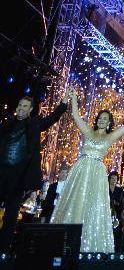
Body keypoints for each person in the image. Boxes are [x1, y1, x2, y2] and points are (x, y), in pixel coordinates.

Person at [51, 93, 124, 252]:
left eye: (105, 118)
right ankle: (65, 243)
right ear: (97, 120)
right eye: (100, 117)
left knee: (92, 205)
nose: (102, 120)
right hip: (81, 170)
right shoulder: (88, 131)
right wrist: (74, 97)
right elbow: (76, 116)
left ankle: (87, 245)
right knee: (75, 204)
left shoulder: (110, 137)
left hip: (96, 173)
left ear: (110, 122)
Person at [0, 89, 70, 250]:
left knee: (11, 216)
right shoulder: (6, 124)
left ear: (30, 109)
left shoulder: (34, 124)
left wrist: (63, 103)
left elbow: (52, 119)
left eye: (25, 106)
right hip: (2, 172)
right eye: (20, 105)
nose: (21, 108)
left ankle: (3, 250)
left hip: (18, 177)